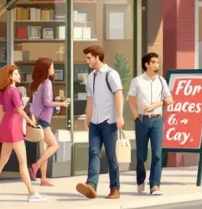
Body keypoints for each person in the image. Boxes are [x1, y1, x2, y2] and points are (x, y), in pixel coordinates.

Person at [0, 64, 44, 202]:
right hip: (15, 125)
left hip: (6, 125)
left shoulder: (2, 91)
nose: (19, 76)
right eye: (15, 74)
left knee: (3, 160)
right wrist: (31, 122)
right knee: (23, 162)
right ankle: (31, 193)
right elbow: (20, 111)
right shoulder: (15, 92)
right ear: (9, 77)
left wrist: (0, 129)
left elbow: (1, 113)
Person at [76, 46, 124, 200]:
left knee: (111, 157)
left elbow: (119, 95)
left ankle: (115, 188)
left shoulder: (111, 74)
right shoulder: (90, 77)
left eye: (89, 57)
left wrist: (120, 116)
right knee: (93, 153)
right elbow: (90, 100)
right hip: (95, 123)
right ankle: (91, 185)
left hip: (109, 121)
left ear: (97, 57)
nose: (87, 60)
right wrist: (87, 119)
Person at [128, 53, 173, 193]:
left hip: (157, 120)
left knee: (157, 153)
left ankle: (155, 185)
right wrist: (136, 116)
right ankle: (140, 180)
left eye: (158, 62)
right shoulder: (137, 81)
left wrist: (155, 105)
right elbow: (131, 99)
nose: (156, 65)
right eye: (153, 62)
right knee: (141, 154)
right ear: (146, 64)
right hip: (142, 120)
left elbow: (170, 100)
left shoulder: (161, 81)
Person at [26, 58, 69, 187]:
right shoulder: (47, 83)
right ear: (46, 69)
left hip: (37, 118)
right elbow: (47, 102)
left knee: (44, 149)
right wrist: (62, 103)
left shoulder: (36, 83)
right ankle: (35, 166)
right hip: (44, 120)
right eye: (52, 67)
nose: (53, 69)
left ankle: (43, 178)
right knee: (54, 146)